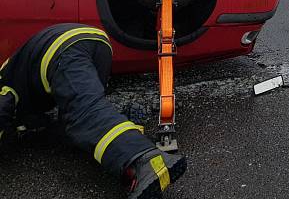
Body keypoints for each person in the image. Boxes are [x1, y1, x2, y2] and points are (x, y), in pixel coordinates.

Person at [0, 23, 186, 198]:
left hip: (62, 51)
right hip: (95, 44)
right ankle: (128, 146)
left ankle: (146, 160)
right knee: (79, 120)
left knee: (84, 115)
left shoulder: (5, 79)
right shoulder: (22, 86)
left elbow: (3, 108)